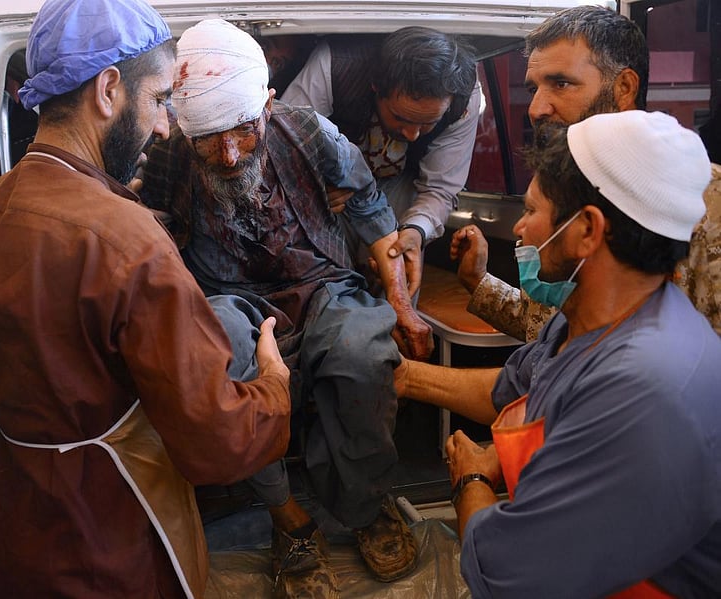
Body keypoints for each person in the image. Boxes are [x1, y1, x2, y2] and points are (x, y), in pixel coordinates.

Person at [0, 2, 292, 598]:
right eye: (160, 100)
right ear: (109, 90)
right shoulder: (129, 241)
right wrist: (272, 385)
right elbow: (219, 440)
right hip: (114, 544)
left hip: (22, 528)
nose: (165, 127)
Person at [140, 18, 428, 597]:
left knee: (362, 354)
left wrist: (400, 301)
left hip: (322, 285)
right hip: (228, 298)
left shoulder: (310, 132)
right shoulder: (169, 161)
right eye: (208, 140)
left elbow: (370, 205)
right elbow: (157, 244)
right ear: (181, 128)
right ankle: (287, 519)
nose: (226, 155)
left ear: (269, 106)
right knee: (218, 362)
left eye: (243, 133)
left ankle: (365, 507)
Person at [394, 110, 721, 598]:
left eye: (531, 210)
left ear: (587, 229)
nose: (520, 229)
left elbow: (508, 575)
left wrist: (473, 481)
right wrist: (400, 376)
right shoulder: (584, 320)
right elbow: (512, 389)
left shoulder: (644, 390)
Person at [449, 5, 721, 339]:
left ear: (623, 88)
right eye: (534, 89)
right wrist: (477, 282)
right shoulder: (565, 187)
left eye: (561, 84)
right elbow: (546, 331)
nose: (536, 109)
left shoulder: (708, 201)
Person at [282, 26, 480, 294]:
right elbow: (283, 145)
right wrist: (313, 187)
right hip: (332, 192)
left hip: (402, 186)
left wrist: (415, 232)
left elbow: (440, 188)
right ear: (376, 87)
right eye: (401, 118)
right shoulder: (333, 66)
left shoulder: (463, 99)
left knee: (399, 285)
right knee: (323, 287)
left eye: (428, 123)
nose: (412, 135)